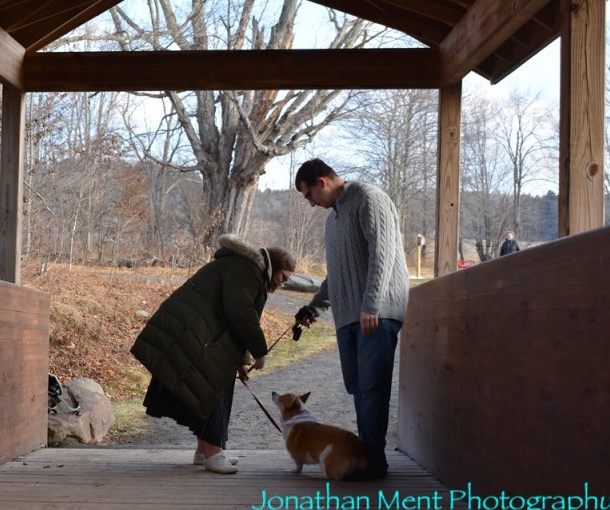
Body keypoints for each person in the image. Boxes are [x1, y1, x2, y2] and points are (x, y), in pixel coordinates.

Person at [131, 235, 296, 474]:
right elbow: (241, 313)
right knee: (214, 387)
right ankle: (213, 454)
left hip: (199, 331)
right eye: (283, 277)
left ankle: (203, 452)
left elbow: (234, 318)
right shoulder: (249, 269)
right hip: (194, 331)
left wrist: (242, 362)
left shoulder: (248, 268)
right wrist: (260, 352)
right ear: (275, 266)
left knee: (208, 386)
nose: (282, 283)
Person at [293, 158, 410, 480]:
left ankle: (375, 464)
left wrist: (372, 304)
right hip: (349, 317)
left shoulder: (368, 197)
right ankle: (366, 461)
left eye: (308, 195)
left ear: (322, 182)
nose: (310, 203)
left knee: (372, 390)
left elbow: (382, 253)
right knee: (358, 389)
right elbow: (337, 274)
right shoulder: (333, 221)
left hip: (376, 313)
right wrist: (313, 308)